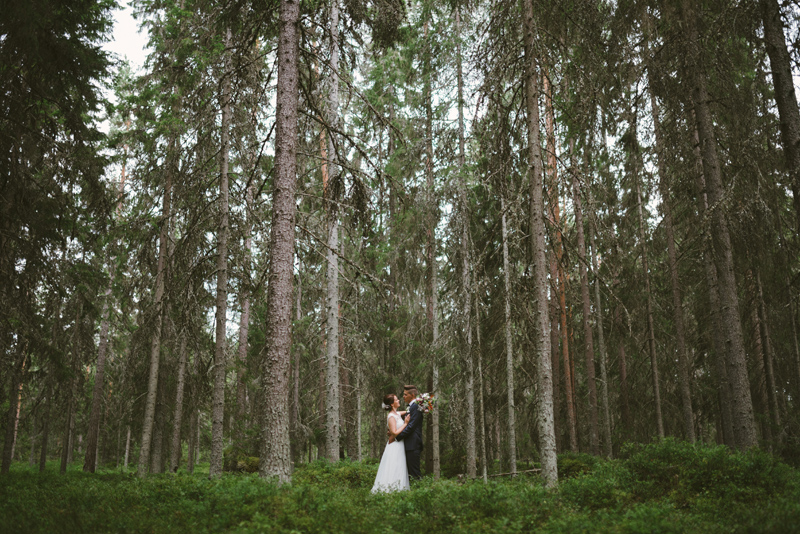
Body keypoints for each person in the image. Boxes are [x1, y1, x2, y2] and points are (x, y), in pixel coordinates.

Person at [371, 394, 411, 493]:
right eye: (397, 400)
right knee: (393, 466)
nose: (399, 401)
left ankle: (399, 489)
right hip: (395, 445)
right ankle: (389, 490)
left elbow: (406, 412)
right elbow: (394, 433)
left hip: (400, 445)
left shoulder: (396, 414)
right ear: (392, 404)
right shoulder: (391, 417)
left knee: (400, 466)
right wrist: (405, 423)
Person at [395, 384, 423, 480]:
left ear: (412, 395)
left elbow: (411, 426)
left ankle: (419, 491)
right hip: (410, 444)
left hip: (413, 444)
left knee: (414, 472)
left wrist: (397, 436)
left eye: (405, 394)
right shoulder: (412, 407)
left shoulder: (415, 406)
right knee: (410, 472)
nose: (403, 396)